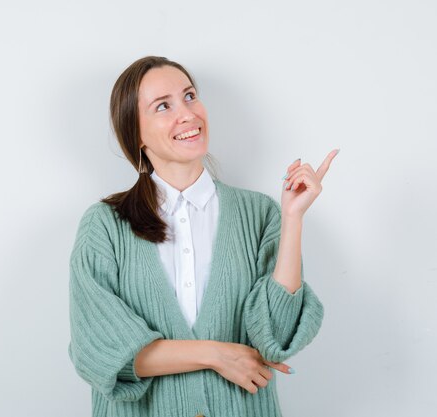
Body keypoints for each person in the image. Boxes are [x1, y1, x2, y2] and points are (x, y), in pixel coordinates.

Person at [67, 55, 338, 417]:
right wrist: (217, 355)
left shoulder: (259, 214)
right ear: (136, 133)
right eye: (163, 106)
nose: (187, 114)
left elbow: (277, 337)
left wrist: (293, 218)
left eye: (190, 96)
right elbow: (99, 349)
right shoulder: (104, 225)